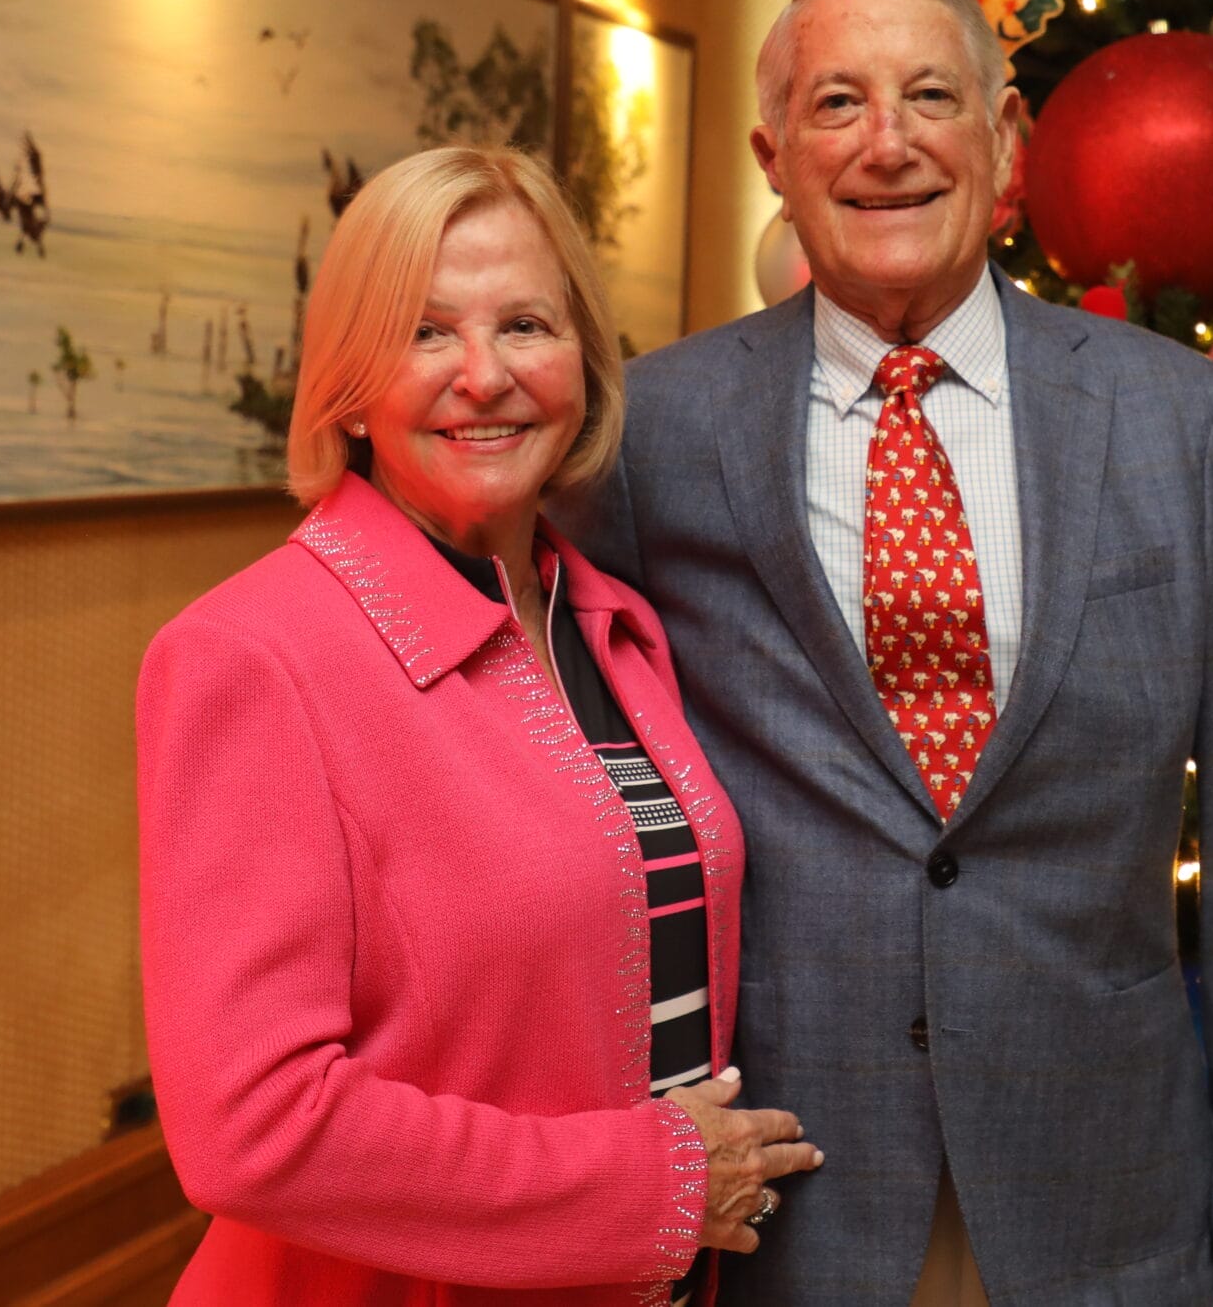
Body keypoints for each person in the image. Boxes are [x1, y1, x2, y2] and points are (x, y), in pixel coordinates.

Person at [563, 0, 1213, 1307]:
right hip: (786, 1212)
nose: (888, 145)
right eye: (837, 102)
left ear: (1004, 140)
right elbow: (573, 805)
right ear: (772, 155)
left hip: (1109, 1197)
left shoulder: (1176, 422)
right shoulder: (656, 432)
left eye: (930, 96)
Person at [136, 147, 821, 1305]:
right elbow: (252, 1127)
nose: (484, 376)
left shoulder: (611, 623)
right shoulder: (251, 659)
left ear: (584, 361)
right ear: (350, 380)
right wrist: (652, 1186)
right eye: (425, 332)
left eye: (525, 326)